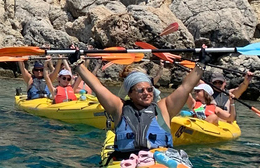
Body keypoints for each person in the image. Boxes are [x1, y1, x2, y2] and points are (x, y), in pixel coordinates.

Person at [71, 49, 206, 161]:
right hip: (126, 161)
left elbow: (185, 87)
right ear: (130, 93)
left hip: (159, 161)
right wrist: (78, 65)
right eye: (141, 90)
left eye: (149, 89)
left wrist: (200, 65)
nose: (147, 93)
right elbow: (97, 87)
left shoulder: (164, 108)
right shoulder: (119, 108)